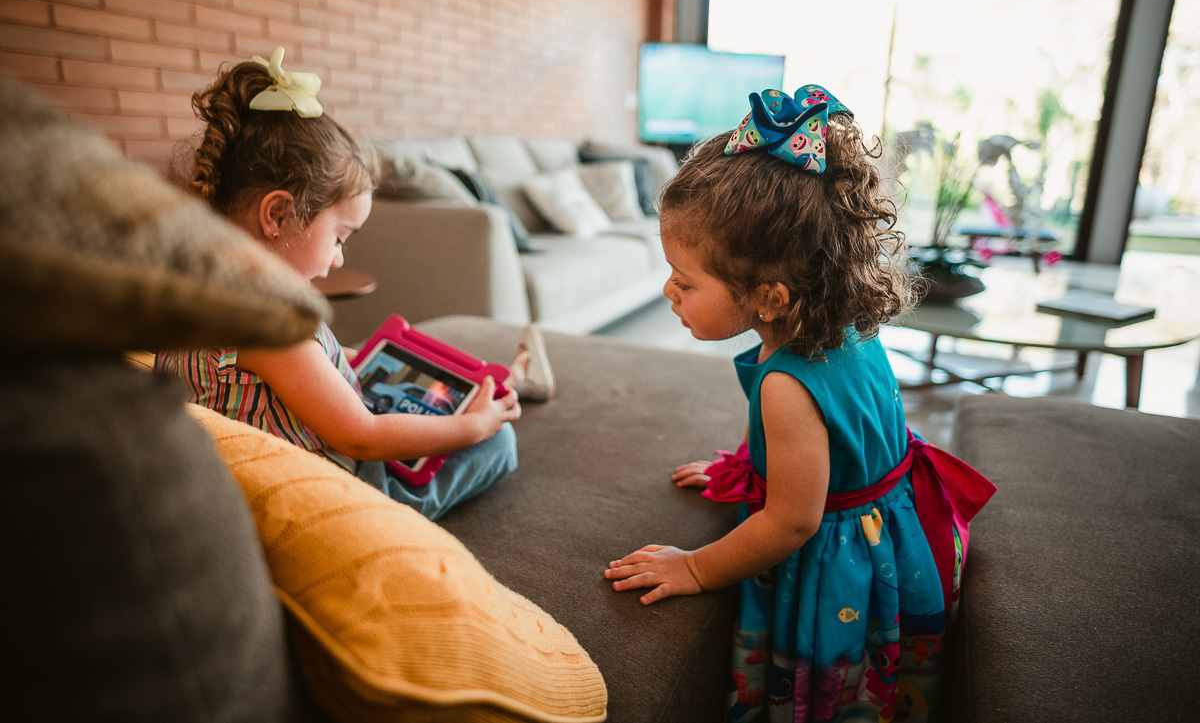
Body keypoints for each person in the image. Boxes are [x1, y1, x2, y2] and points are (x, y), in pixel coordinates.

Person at [603, 86, 995, 721]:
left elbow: (792, 521)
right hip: (892, 519)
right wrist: (751, 465)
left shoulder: (787, 384)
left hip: (838, 564)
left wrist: (695, 570)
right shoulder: (843, 322)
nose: (668, 291)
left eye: (686, 279)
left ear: (769, 296)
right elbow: (834, 442)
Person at [157, 47, 551, 521]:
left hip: (264, 466)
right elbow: (360, 435)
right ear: (278, 214)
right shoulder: (266, 322)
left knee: (399, 370)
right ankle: (506, 391)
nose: (340, 256)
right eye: (340, 236)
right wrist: (473, 430)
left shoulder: (190, 285)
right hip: (327, 492)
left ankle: (505, 384)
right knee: (499, 440)